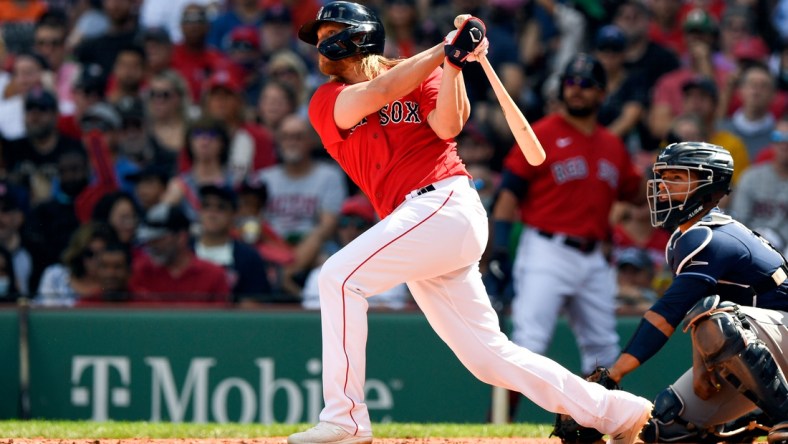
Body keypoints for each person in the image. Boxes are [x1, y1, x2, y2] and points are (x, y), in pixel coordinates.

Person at [287, 4, 652, 444]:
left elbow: (449, 125)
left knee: (339, 277)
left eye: (329, 33)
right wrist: (445, 49)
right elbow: (378, 92)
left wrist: (454, 66)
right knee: (488, 358)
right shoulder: (325, 98)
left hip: (443, 203)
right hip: (420, 224)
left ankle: (345, 418)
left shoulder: (423, 71)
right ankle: (617, 412)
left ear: (357, 36)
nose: (320, 46)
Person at [602, 142, 788, 444]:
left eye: (676, 177)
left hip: (782, 333)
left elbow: (668, 313)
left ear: (709, 183)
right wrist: (703, 365)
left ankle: (783, 416)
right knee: (667, 424)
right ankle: (753, 419)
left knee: (723, 324)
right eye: (663, 176)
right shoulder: (684, 236)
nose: (662, 186)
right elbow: (700, 308)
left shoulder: (711, 236)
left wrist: (615, 373)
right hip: (766, 350)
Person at [488, 53, 644, 380]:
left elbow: (636, 194)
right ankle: (500, 427)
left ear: (602, 93)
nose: (576, 90)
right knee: (528, 344)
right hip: (547, 249)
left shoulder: (612, 145)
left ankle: (592, 427)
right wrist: (500, 248)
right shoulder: (541, 133)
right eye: (570, 83)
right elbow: (507, 195)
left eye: (586, 84)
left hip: (594, 258)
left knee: (604, 351)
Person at [129, 202, 230, 304]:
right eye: (149, 240)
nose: (152, 245)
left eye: (159, 239)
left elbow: (221, 318)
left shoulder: (213, 275)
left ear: (181, 237)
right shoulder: (139, 271)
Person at [194, 184, 272, 303]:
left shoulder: (249, 258)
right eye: (206, 206)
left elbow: (254, 307)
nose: (212, 214)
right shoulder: (184, 251)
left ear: (234, 214)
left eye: (221, 207)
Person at [729, 116, 788, 257]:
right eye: (779, 137)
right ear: (772, 141)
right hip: (752, 246)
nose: (784, 144)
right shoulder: (750, 177)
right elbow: (739, 221)